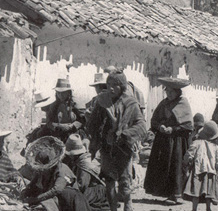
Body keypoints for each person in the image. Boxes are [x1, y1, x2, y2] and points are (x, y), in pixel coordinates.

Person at [86, 71, 146, 211]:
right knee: (109, 180)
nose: (111, 88)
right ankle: (113, 207)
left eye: (115, 85)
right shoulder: (102, 100)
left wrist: (124, 134)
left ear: (122, 86)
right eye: (108, 84)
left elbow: (141, 125)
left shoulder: (130, 103)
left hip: (123, 148)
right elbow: (94, 122)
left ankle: (128, 206)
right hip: (107, 147)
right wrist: (96, 134)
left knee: (125, 181)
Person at [144, 77, 193, 205]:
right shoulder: (163, 103)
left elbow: (188, 125)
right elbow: (154, 120)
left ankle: (176, 194)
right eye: (167, 92)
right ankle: (166, 192)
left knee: (176, 165)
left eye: (172, 92)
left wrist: (173, 128)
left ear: (178, 92)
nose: (169, 94)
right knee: (164, 165)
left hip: (177, 142)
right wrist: (159, 126)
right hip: (163, 141)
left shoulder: (183, 103)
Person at [21, 136, 91, 211]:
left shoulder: (62, 169)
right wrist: (26, 191)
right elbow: (34, 182)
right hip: (56, 197)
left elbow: (57, 190)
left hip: (70, 200)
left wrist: (36, 199)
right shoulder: (43, 171)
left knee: (64, 193)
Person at [183, 121, 218, 211]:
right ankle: (208, 208)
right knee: (208, 192)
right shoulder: (215, 146)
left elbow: (189, 154)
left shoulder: (196, 143)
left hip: (198, 171)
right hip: (211, 172)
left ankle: (194, 208)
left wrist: (186, 163)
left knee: (196, 191)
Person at [62, 134, 109, 210]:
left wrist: (69, 183)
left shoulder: (84, 164)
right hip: (92, 188)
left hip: (97, 190)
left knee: (74, 198)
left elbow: (82, 185)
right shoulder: (81, 160)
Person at [45, 79, 86, 143]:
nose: (61, 95)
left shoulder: (75, 103)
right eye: (58, 93)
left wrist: (71, 126)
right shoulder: (54, 105)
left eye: (63, 93)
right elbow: (49, 121)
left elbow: (82, 119)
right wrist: (57, 126)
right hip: (58, 133)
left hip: (74, 134)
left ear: (68, 92)